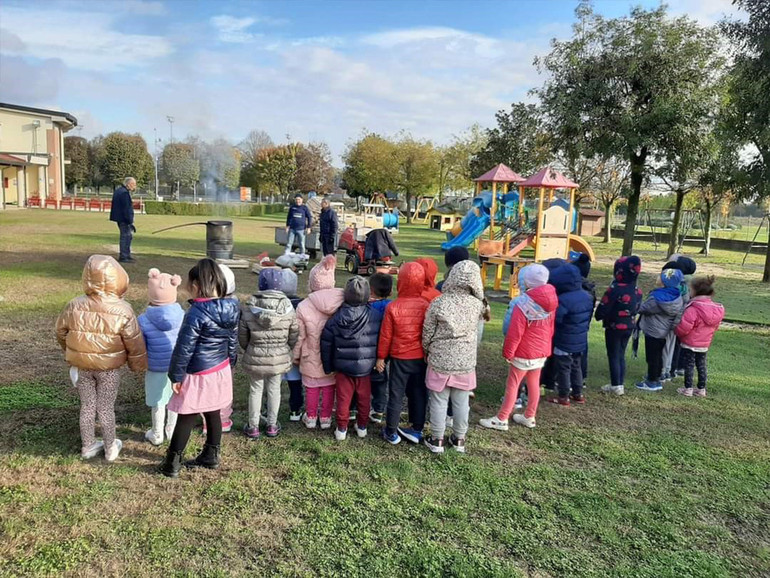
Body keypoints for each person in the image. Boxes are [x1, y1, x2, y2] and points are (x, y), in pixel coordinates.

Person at [56, 255, 147, 461]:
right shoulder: (123, 309)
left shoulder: (74, 305)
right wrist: (137, 365)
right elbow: (134, 341)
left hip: (82, 368)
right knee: (105, 407)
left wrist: (73, 353)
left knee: (87, 405)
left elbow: (60, 332)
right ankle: (110, 447)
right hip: (108, 370)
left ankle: (88, 445)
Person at [159, 259, 239, 478]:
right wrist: (231, 362)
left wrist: (175, 375)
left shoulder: (196, 312)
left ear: (196, 285)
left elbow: (184, 347)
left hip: (199, 372)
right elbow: (232, 339)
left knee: (186, 414)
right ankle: (211, 455)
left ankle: (172, 462)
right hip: (219, 368)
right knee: (213, 411)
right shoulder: (232, 306)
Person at [480, 264, 556, 431]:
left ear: (525, 282)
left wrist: (508, 352)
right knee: (534, 382)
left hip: (524, 351)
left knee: (513, 384)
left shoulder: (521, 303)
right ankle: (529, 416)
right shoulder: (552, 299)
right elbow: (550, 328)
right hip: (541, 351)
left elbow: (515, 332)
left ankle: (502, 418)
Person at [422, 261, 486, 453]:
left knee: (439, 401)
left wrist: (427, 350)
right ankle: (459, 439)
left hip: (440, 359)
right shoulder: (478, 306)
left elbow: (427, 331)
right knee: (461, 401)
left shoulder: (439, 302)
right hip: (465, 361)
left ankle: (437, 439)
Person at [239, 268, 299, 439]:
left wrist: (249, 349)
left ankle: (253, 427)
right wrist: (285, 349)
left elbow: (243, 336)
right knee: (274, 390)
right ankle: (272, 425)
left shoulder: (249, 307)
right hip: (278, 358)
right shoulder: (288, 308)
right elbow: (294, 334)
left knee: (255, 390)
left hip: (255, 355)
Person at [321, 276, 383, 441]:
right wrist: (380, 359)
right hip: (366, 368)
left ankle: (341, 429)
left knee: (342, 399)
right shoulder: (375, 315)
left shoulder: (334, 318)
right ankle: (362, 426)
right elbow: (380, 339)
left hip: (343, 369)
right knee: (364, 399)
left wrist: (328, 367)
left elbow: (326, 344)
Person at [377, 262, 429, 445]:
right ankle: (417, 428)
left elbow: (386, 336)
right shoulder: (426, 305)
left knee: (396, 394)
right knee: (419, 392)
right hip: (420, 358)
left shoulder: (393, 306)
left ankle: (391, 431)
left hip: (399, 358)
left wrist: (381, 357)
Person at [293, 255, 344, 429]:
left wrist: (295, 355)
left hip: (310, 355)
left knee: (311, 387)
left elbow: (299, 336)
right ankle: (326, 418)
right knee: (330, 387)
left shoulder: (303, 306)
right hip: (332, 357)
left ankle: (311, 416)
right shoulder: (342, 302)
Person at [138, 268, 184, 446]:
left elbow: (140, 345)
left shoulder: (142, 319)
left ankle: (157, 434)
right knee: (174, 398)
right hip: (177, 366)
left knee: (158, 400)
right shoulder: (182, 315)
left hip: (155, 367)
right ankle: (171, 431)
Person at [594, 256, 643, 395]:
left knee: (613, 355)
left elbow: (604, 306)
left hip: (614, 326)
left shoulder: (614, 289)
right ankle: (619, 383)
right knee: (621, 354)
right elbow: (637, 308)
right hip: (629, 326)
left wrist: (598, 316)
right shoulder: (636, 290)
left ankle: (615, 385)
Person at [547, 263, 594, 406]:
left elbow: (557, 319)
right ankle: (578, 393)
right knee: (576, 366)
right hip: (580, 340)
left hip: (564, 340)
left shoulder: (564, 300)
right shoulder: (587, 296)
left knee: (564, 368)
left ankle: (563, 395)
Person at [636, 268, 685, 393]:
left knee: (652, 357)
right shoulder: (677, 296)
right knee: (658, 356)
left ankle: (652, 382)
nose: (657, 277)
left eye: (660, 276)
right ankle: (656, 377)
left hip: (653, 331)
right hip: (664, 332)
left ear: (664, 282)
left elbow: (643, 308)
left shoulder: (657, 297)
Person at [675, 276, 724, 397]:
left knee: (689, 365)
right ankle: (701, 389)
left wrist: (677, 332)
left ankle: (688, 388)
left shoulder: (693, 309)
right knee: (701, 365)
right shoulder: (716, 310)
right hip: (704, 343)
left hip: (690, 343)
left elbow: (685, 327)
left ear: (695, 291)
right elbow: (715, 326)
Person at [661, 254, 697, 380]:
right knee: (679, 344)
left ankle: (670, 369)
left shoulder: (680, 282)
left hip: (679, 318)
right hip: (687, 318)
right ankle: (677, 367)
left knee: (673, 345)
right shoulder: (692, 281)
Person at [279, 269, 305, 422]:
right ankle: (295, 410)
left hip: (279, 352)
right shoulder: (302, 305)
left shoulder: (276, 304)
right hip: (295, 350)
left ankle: (269, 409)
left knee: (273, 383)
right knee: (295, 382)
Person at [368, 273, 393, 424]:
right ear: (390, 292)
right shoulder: (392, 306)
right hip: (385, 350)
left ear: (370, 290)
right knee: (380, 380)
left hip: (367, 348)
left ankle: (354, 408)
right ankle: (378, 410)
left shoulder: (365, 306)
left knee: (360, 379)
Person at [109, 177, 137, 263]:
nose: (135, 186)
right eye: (133, 184)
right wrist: (130, 220)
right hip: (124, 219)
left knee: (127, 236)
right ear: (128, 184)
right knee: (126, 237)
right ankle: (124, 256)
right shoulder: (124, 193)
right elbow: (126, 208)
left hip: (120, 218)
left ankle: (126, 255)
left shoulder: (119, 191)